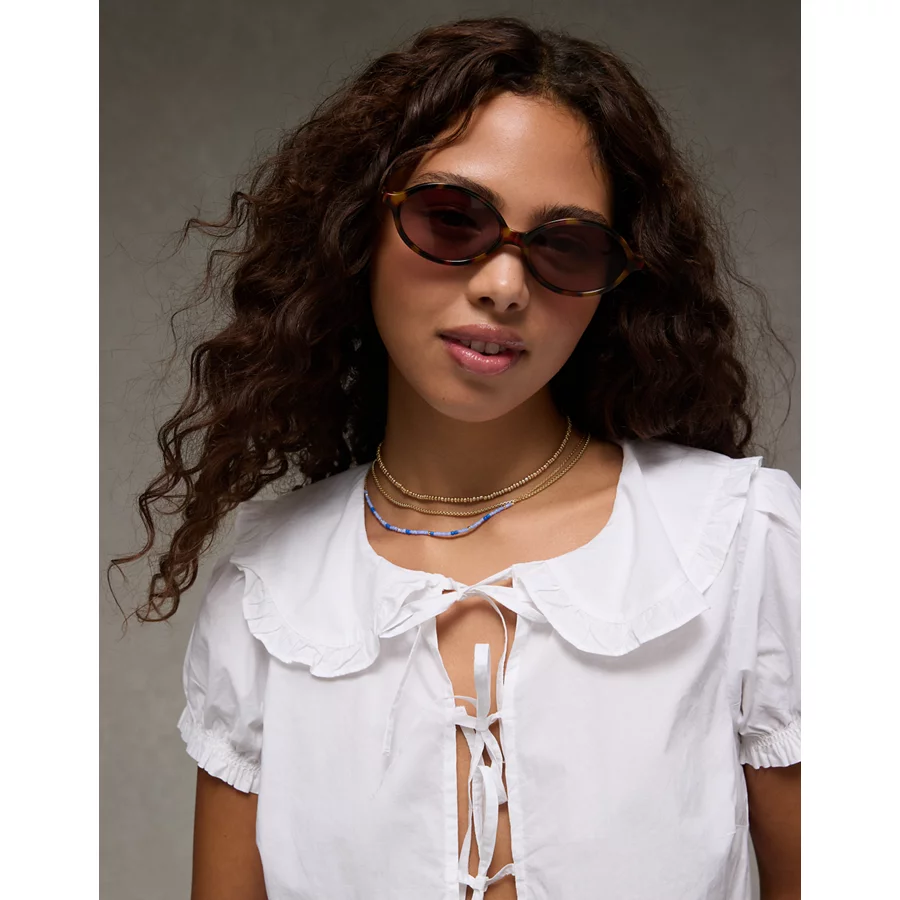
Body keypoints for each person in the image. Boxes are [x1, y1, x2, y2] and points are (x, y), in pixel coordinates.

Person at [110, 15, 800, 900]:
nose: (504, 285)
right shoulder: (270, 596)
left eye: (565, 246)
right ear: (357, 230)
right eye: (450, 219)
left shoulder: (741, 545)